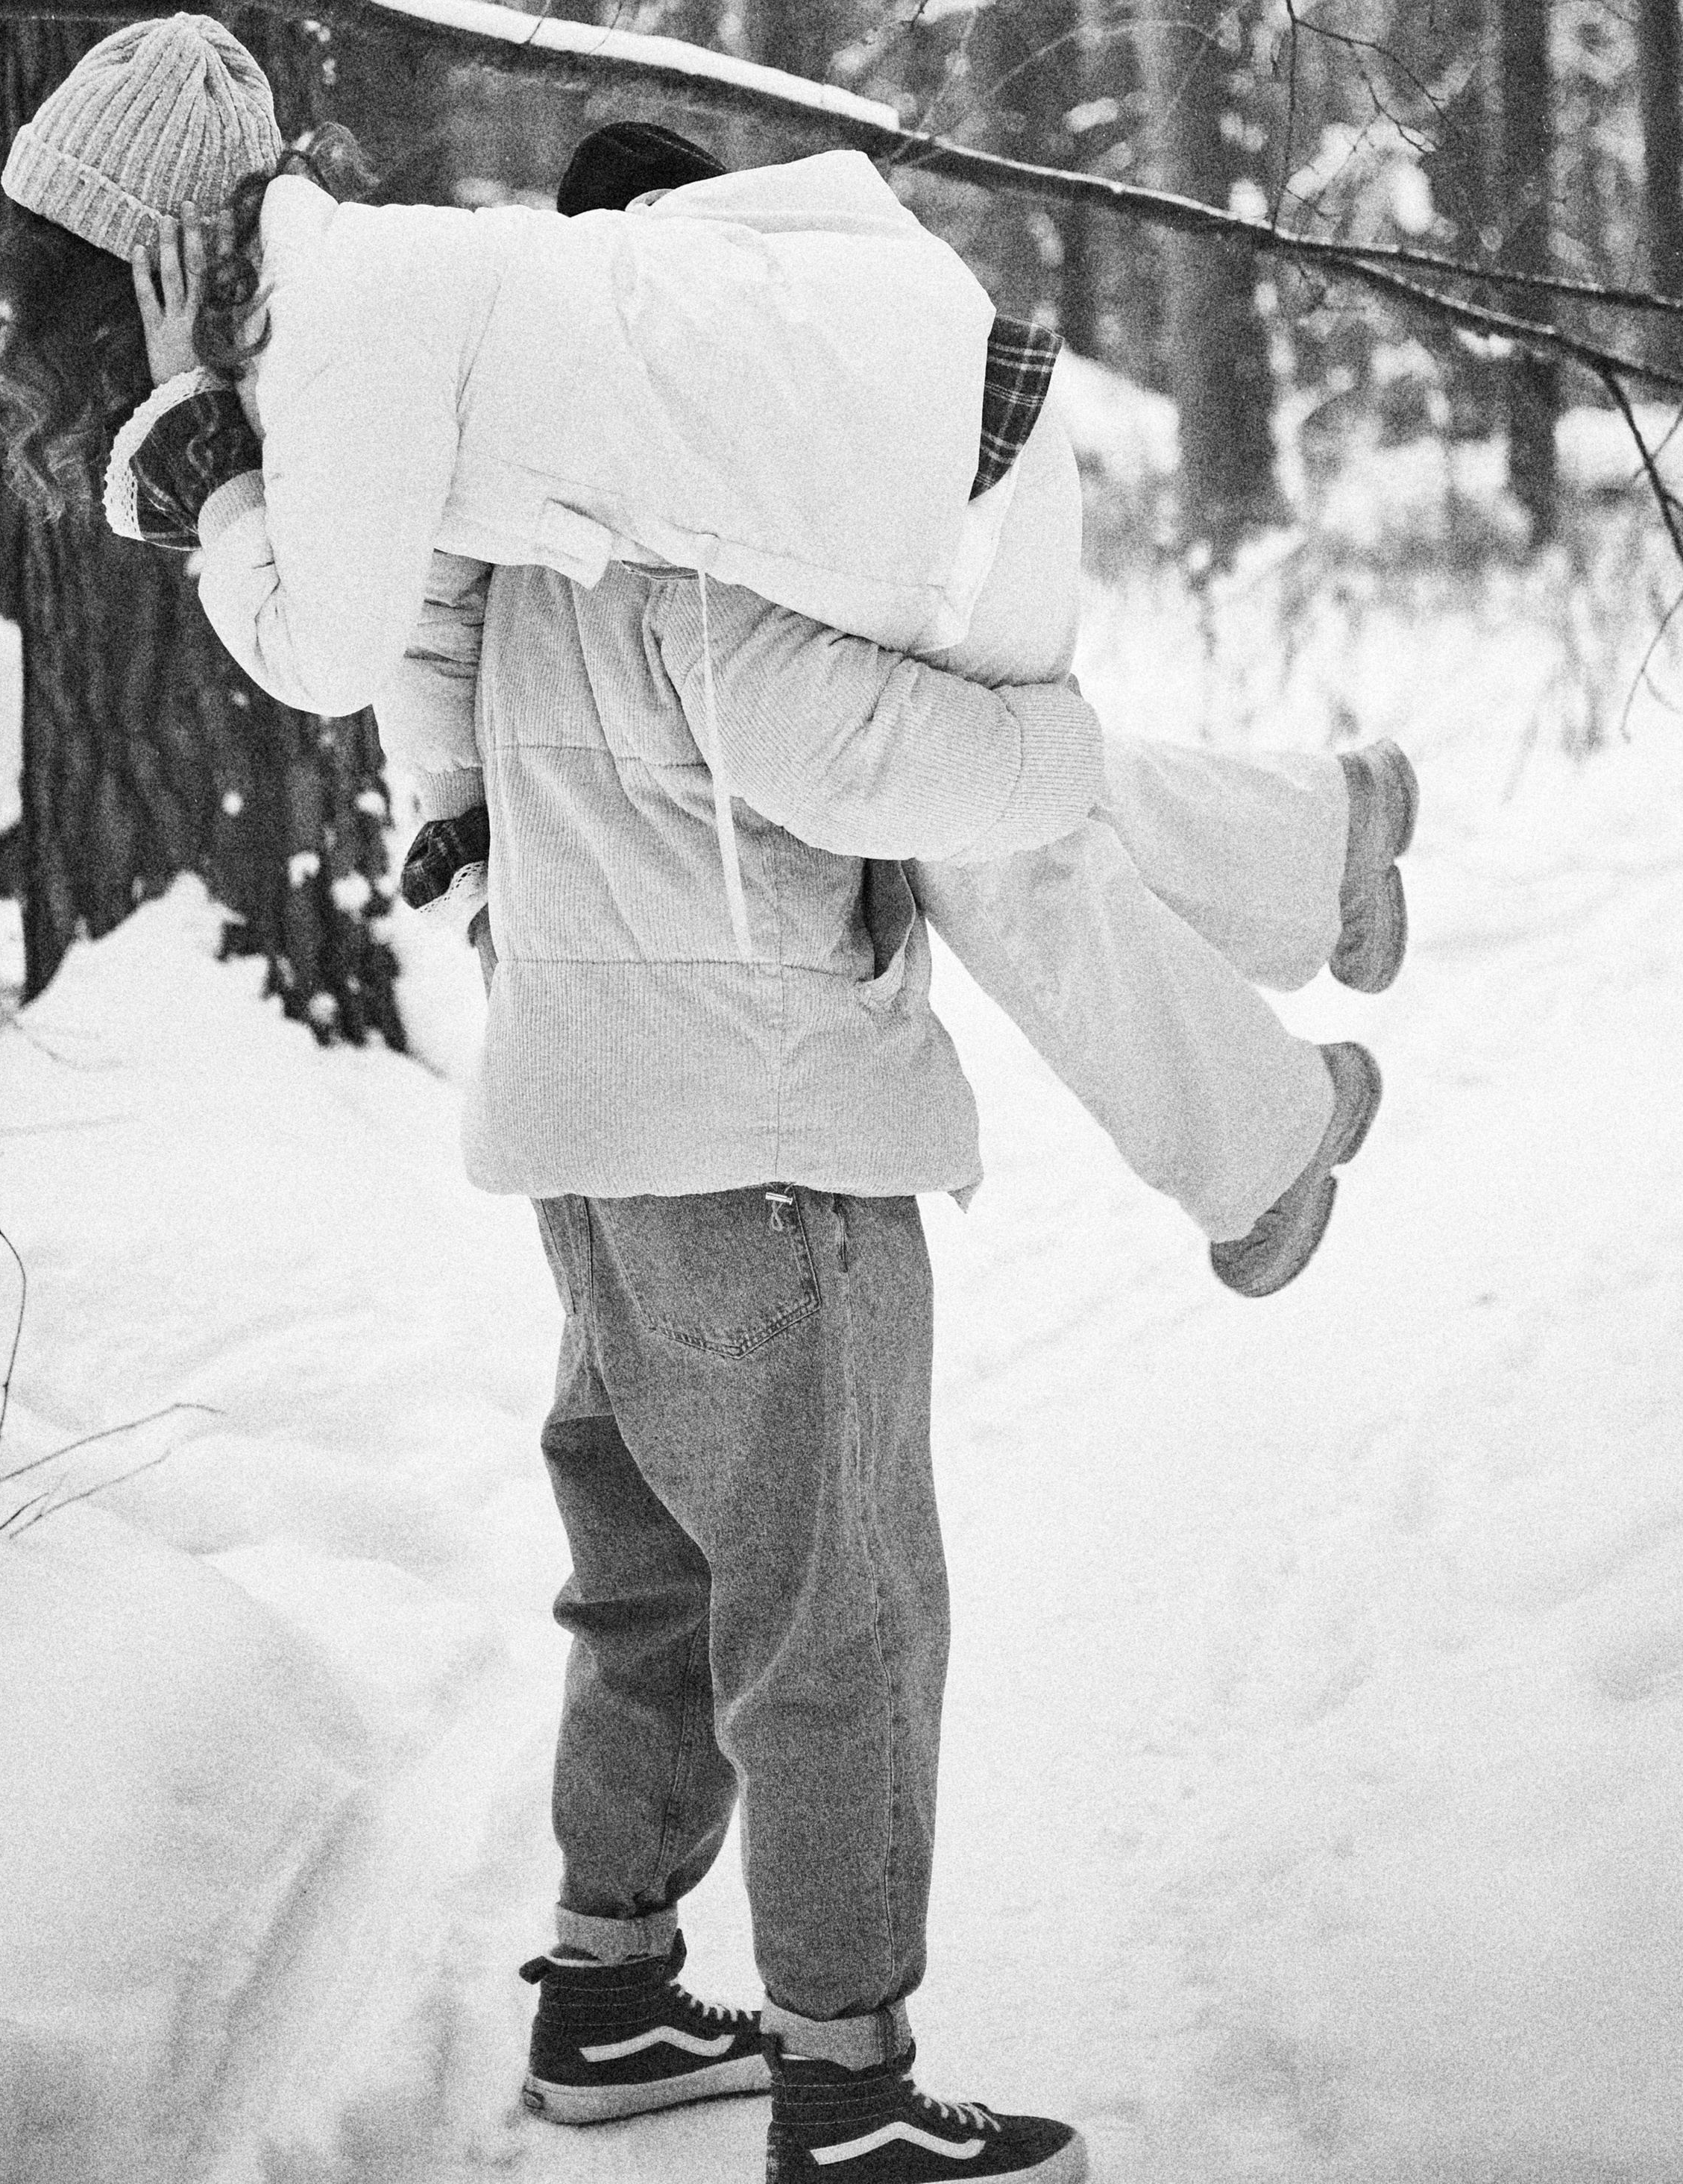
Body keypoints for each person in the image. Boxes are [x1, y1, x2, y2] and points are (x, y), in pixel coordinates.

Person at [0, 13, 1418, 1294]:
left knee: (986, 841)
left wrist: (203, 452)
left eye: (69, 295)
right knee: (951, 802)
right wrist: (461, 807)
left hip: (951, 490)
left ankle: (1272, 1123)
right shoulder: (362, 300)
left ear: (150, 260)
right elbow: (439, 597)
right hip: (936, 464)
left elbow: (324, 646)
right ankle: (1313, 876)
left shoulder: (342, 327)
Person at [465, 539, 1095, 2179]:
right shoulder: (701, 555)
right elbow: (895, 767)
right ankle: (847, 2084)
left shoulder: (522, 546)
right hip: (758, 1138)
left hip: (589, 1127)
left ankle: (609, 1995)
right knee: (835, 1612)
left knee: (653, 1579)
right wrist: (1068, 740)